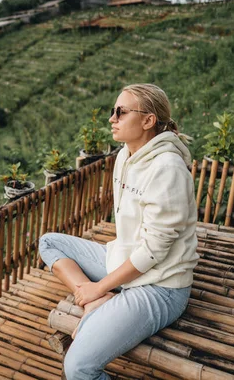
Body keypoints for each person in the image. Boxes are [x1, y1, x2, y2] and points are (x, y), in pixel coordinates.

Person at [39, 83, 199, 380]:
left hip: (159, 286)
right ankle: (95, 299)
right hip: (122, 262)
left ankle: (97, 296)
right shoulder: (125, 155)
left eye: (120, 112)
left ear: (148, 121)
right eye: (114, 112)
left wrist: (100, 286)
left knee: (78, 368)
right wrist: (92, 293)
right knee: (49, 242)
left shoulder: (168, 168)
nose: (111, 118)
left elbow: (153, 251)